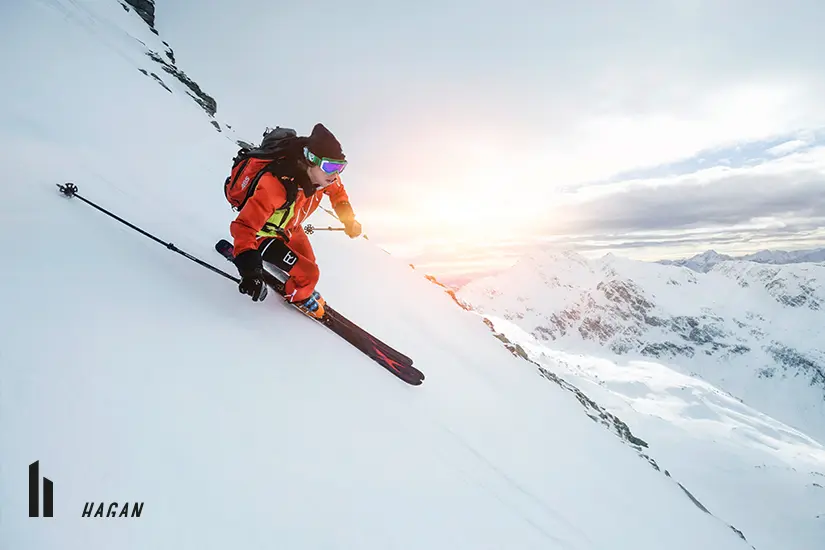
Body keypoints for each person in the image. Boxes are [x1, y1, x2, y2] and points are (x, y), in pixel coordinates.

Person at [227, 123, 362, 318]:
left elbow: (338, 193)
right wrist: (250, 270)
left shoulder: (324, 178)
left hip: (290, 227)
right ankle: (298, 297)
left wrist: (349, 220)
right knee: (310, 274)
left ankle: (303, 284)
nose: (335, 174)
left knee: (309, 263)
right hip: (263, 234)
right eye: (330, 166)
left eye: (340, 167)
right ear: (310, 160)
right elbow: (244, 226)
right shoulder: (276, 186)